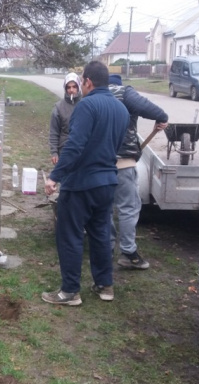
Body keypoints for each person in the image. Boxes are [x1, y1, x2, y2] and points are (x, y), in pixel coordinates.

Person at [42, 61, 129, 305]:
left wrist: (55, 176)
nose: (79, 85)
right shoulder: (121, 110)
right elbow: (116, 145)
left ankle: (69, 291)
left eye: (81, 81)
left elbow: (74, 146)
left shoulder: (86, 106)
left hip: (80, 184)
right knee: (100, 233)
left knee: (69, 234)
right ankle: (105, 285)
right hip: (108, 182)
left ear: (88, 82)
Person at [108, 74, 168, 269]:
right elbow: (152, 109)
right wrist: (162, 118)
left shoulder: (94, 96)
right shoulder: (124, 93)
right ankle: (128, 252)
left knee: (105, 209)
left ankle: (106, 249)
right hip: (123, 163)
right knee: (128, 207)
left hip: (100, 164)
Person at [48, 72, 82, 165]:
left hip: (83, 151)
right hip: (64, 150)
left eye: (74, 87)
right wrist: (54, 152)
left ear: (79, 87)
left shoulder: (86, 103)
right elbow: (54, 132)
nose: (71, 90)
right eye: (69, 87)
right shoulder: (59, 107)